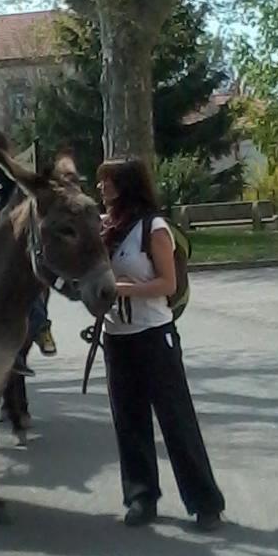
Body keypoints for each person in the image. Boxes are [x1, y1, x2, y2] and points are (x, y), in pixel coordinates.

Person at [97, 157, 225, 532]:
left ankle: (205, 503)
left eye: (108, 182)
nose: (101, 189)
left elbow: (167, 284)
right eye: (100, 183)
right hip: (116, 337)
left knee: (176, 419)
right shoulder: (105, 229)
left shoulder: (154, 228)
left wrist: (124, 290)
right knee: (129, 421)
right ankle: (141, 497)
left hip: (154, 335)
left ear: (127, 185)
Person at [0, 124, 57, 357]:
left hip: (7, 242)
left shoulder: (10, 178)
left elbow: (20, 211)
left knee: (22, 281)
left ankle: (39, 327)